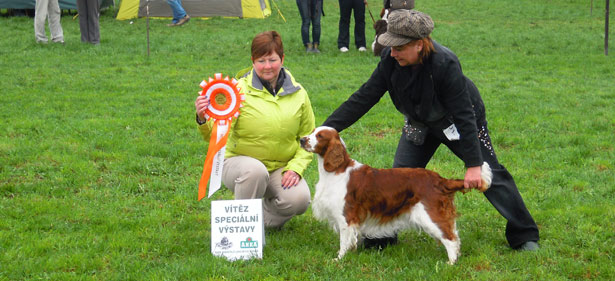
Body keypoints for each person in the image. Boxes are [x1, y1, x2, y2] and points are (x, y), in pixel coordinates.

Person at [322, 9, 540, 251]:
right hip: (419, 122)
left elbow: (465, 115)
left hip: (457, 121)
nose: (392, 52)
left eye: (399, 48)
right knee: (399, 178)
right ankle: (382, 236)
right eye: (390, 46)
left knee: (491, 173)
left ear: (418, 44)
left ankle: (524, 235)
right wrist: (328, 126)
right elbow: (364, 97)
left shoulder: (445, 64)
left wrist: (473, 165)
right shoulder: (390, 61)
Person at [195, 31, 316, 229]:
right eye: (261, 60)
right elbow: (216, 136)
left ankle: (253, 222)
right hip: (239, 166)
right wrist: (202, 118)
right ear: (252, 61)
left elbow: (308, 138)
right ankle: (240, 229)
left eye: (272, 59)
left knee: (300, 199)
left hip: (279, 168)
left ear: (282, 59)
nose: (267, 66)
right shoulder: (237, 91)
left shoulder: (299, 93)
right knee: (255, 171)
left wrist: (295, 168)